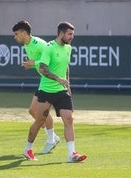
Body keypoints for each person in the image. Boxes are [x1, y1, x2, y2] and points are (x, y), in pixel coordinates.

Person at [22, 21, 87, 162]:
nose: (72, 37)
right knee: (39, 121)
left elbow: (66, 67)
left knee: (69, 120)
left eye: (72, 34)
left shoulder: (68, 48)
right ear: (61, 33)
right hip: (46, 90)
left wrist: (67, 84)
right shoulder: (49, 48)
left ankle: (72, 154)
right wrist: (58, 79)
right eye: (70, 34)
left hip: (61, 91)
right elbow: (43, 68)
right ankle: (28, 149)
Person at [12, 20, 60, 154]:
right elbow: (39, 63)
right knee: (33, 111)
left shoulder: (39, 44)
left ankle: (51, 139)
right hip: (44, 80)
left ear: (23, 33)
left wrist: (35, 62)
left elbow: (53, 59)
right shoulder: (27, 45)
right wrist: (32, 64)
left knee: (39, 113)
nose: (15, 37)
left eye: (16, 34)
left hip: (51, 81)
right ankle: (52, 137)